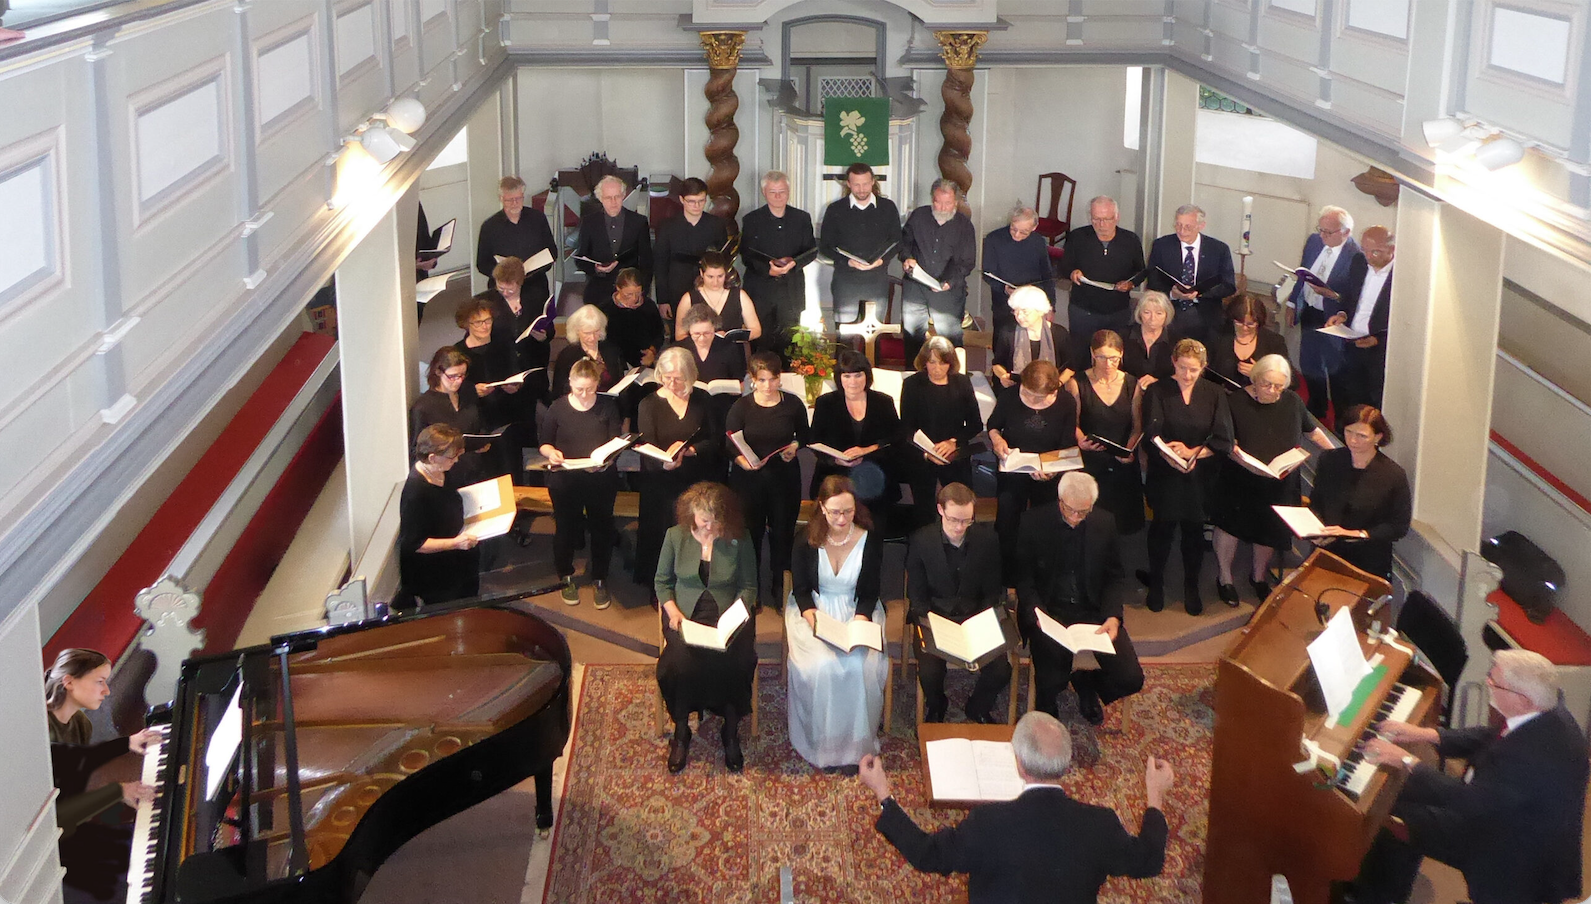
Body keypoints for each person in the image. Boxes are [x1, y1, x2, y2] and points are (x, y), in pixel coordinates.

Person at [1346, 650, 1588, 904]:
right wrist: (1428, 735)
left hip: (1509, 851)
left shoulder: (1531, 756)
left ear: (1522, 699)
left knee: (1391, 815)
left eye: (1494, 683)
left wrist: (1406, 760)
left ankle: (1373, 897)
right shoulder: (1546, 710)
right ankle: (1388, 888)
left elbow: (1469, 801)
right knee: (1400, 794)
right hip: (1506, 815)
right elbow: (1493, 735)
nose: (1488, 685)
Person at [859, 712, 1172, 904]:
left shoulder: (987, 823)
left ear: (1019, 764)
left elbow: (927, 854)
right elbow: (1149, 860)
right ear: (1066, 764)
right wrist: (1155, 794)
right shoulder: (1101, 824)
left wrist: (883, 792)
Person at [1017, 472, 1144, 725]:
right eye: (1070, 510)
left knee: (1130, 678)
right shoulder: (1033, 522)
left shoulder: (1104, 523)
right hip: (1050, 611)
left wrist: (1112, 616)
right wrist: (1038, 615)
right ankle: (1048, 702)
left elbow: (1113, 576)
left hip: (1093, 612)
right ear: (1060, 500)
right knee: (1053, 678)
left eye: (1083, 512)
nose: (1075, 518)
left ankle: (1088, 683)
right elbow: (1024, 578)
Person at [654, 481, 759, 774]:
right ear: (692, 515)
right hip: (685, 613)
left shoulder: (740, 537)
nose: (710, 527)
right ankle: (681, 730)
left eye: (716, 521)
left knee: (736, 662)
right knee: (679, 665)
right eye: (704, 520)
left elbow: (749, 586)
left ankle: (730, 728)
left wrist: (739, 613)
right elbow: (662, 583)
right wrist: (672, 610)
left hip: (727, 613)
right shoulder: (675, 537)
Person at [1211, 355, 1333, 605]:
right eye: (1267, 384)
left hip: (1281, 480)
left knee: (1270, 530)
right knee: (1231, 527)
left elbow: (1312, 430)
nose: (1273, 391)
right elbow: (1225, 442)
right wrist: (1243, 461)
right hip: (1241, 477)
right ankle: (1225, 577)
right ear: (1255, 379)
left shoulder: (1292, 401)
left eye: (1279, 386)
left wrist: (1336, 454)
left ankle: (1258, 577)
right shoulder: (1234, 401)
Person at [786, 476, 888, 771]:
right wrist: (816, 623)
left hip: (857, 610)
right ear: (821, 508)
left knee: (860, 666)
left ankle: (855, 747)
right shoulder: (805, 540)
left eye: (848, 511)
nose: (842, 519)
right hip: (815, 611)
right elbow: (802, 591)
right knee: (821, 665)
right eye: (835, 512)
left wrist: (858, 624)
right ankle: (824, 747)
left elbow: (870, 592)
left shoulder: (869, 538)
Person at [46, 648, 160, 900]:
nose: (106, 691)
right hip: (65, 866)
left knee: (152, 838)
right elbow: (57, 819)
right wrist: (118, 790)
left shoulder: (60, 729)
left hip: (81, 838)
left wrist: (127, 743)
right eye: (98, 683)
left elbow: (77, 759)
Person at [1140, 339, 1233, 615]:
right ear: (1173, 362)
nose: (1187, 375)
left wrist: (1193, 453)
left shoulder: (1215, 393)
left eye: (1194, 369)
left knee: (1194, 532)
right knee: (1162, 529)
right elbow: (1151, 433)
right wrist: (1172, 455)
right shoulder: (1158, 390)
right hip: (1165, 471)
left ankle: (1191, 585)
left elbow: (1223, 439)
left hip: (1200, 475)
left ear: (1203, 367)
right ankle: (1156, 582)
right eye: (1182, 368)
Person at [904, 482, 1008, 724]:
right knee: (930, 671)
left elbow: (993, 592)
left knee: (1001, 669)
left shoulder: (987, 540)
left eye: (966, 521)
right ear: (940, 510)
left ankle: (978, 707)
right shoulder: (921, 541)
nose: (960, 527)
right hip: (935, 618)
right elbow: (917, 597)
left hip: (975, 617)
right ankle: (937, 704)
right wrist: (935, 624)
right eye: (953, 520)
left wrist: (982, 623)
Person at [633, 347, 725, 591]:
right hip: (662, 481)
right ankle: (662, 585)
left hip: (697, 478)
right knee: (664, 532)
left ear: (690, 375)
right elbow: (646, 444)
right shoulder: (648, 404)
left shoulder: (703, 400)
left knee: (698, 528)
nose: (672, 383)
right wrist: (665, 460)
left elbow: (715, 440)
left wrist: (691, 450)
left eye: (678, 378)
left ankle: (695, 579)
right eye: (667, 377)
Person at [725, 352, 810, 608]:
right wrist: (742, 461)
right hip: (749, 481)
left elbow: (805, 434)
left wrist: (795, 446)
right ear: (752, 380)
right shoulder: (741, 407)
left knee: (782, 534)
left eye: (773, 380)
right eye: (762, 380)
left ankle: (779, 587)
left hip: (783, 479)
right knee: (751, 535)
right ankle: (752, 590)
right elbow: (728, 442)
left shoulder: (792, 404)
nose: (768, 386)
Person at [540, 359, 623, 608]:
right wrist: (551, 453)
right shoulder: (557, 408)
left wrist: (606, 460)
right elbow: (544, 443)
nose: (585, 395)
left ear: (598, 383)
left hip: (600, 478)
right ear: (570, 384)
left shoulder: (608, 406)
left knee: (602, 528)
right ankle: (565, 575)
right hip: (565, 479)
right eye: (579, 390)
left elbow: (615, 442)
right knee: (565, 528)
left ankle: (599, 577)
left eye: (590, 389)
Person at [987, 360, 1078, 579]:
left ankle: (1040, 574)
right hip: (1014, 467)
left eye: (1038, 397)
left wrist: (1052, 469)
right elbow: (993, 425)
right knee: (1007, 520)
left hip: (1049, 469)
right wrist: (997, 440)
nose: (1031, 400)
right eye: (1027, 393)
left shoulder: (1066, 402)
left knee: (1045, 522)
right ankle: (1008, 577)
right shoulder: (1009, 396)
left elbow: (1066, 444)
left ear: (1054, 390)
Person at [1306, 404, 1411, 580]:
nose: (1353, 440)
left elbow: (1398, 525)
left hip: (1366, 558)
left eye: (1362, 436)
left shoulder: (1392, 474)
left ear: (1378, 437)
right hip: (1326, 550)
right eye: (1349, 432)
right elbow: (1317, 502)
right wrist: (1315, 530)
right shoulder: (1329, 460)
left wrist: (1359, 534)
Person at [899, 336, 983, 529]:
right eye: (932, 362)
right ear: (924, 362)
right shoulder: (912, 384)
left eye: (943, 362)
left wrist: (953, 442)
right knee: (924, 512)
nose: (937, 368)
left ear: (950, 363)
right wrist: (927, 453)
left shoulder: (962, 383)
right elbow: (906, 427)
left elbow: (975, 424)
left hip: (953, 453)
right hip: (922, 455)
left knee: (961, 503)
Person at [1287, 206, 1362, 421]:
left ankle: (1339, 419)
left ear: (1346, 233)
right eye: (1320, 229)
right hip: (1310, 310)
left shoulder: (1355, 256)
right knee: (1309, 363)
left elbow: (1355, 297)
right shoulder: (1313, 241)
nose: (1322, 236)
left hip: (1333, 317)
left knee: (1334, 369)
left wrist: (1333, 294)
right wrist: (1293, 303)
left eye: (1328, 232)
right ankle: (1315, 407)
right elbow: (1302, 273)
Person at [395, 425, 481, 609]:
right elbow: (414, 544)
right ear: (432, 457)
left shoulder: (440, 471)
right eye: (452, 457)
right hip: (436, 574)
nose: (456, 460)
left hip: (457, 561)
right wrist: (456, 543)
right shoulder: (415, 493)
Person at [1059, 195, 1147, 367]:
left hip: (1118, 309)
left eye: (1107, 219)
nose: (1101, 225)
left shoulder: (1130, 240)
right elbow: (1063, 267)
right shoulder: (1078, 237)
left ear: (1117, 217)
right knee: (1081, 355)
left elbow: (1141, 271)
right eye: (1096, 219)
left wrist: (1130, 283)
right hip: (1083, 310)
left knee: (1113, 356)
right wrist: (1072, 273)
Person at [739, 171, 817, 356]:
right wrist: (768, 270)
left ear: (789, 190)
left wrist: (794, 264)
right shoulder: (751, 220)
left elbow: (811, 251)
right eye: (773, 192)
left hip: (791, 292)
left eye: (782, 191)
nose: (778, 196)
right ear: (764, 192)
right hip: (761, 291)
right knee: (761, 344)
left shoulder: (802, 218)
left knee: (790, 345)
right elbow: (746, 254)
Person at [807, 349, 900, 505]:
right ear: (839, 378)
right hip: (835, 478)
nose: (853, 382)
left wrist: (866, 451)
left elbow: (896, 439)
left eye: (858, 375)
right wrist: (836, 460)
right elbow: (815, 442)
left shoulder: (883, 402)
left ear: (867, 376)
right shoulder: (825, 403)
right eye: (847, 376)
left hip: (875, 477)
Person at [1074, 330, 1145, 535]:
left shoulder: (1132, 384)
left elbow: (1137, 425)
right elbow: (1073, 422)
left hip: (1121, 459)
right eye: (1101, 357)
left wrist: (1129, 450)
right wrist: (1080, 440)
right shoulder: (1078, 382)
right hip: (1091, 458)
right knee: (1090, 524)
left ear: (1121, 354)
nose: (1107, 364)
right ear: (1092, 354)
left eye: (1113, 358)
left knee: (1120, 527)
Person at [900, 179, 977, 363]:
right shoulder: (919, 216)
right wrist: (907, 257)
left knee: (949, 338)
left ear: (956, 202)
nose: (942, 208)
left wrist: (948, 282)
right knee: (912, 335)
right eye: (937, 201)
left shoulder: (964, 226)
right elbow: (904, 242)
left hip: (947, 290)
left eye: (948, 203)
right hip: (915, 287)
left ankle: (952, 380)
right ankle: (914, 376)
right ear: (932, 199)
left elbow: (966, 262)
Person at [480, 256, 551, 453]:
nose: (504, 292)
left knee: (528, 423)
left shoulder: (535, 297)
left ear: (520, 282)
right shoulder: (486, 301)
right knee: (503, 430)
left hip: (530, 368)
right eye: (500, 288)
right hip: (501, 369)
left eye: (509, 288)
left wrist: (543, 335)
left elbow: (549, 328)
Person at [819, 163, 901, 326]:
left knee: (875, 332)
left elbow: (897, 241)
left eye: (865, 184)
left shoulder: (887, 207)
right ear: (848, 184)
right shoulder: (835, 209)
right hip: (846, 280)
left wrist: (882, 260)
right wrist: (847, 261)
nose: (861, 189)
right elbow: (825, 246)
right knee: (845, 334)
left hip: (877, 279)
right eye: (856, 184)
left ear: (872, 182)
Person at [1327, 225, 1395, 412]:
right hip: (1351, 341)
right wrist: (1342, 314)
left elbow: (1405, 321)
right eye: (1365, 250)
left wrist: (1378, 339)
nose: (1369, 256)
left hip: (1378, 351)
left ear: (1392, 249)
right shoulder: (1358, 261)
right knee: (1346, 396)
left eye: (1376, 252)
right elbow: (1349, 295)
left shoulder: (1402, 276)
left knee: (1371, 402)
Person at [1146, 205, 1236, 346]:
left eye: (1188, 227)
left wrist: (1200, 293)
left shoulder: (1219, 249)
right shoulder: (1161, 245)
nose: (1181, 231)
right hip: (1171, 312)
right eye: (1178, 225)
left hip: (1206, 314)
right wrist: (1172, 293)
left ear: (1201, 226)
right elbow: (1152, 281)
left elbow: (1229, 285)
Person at [452, 298, 517, 476]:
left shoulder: (503, 344)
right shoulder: (458, 352)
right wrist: (473, 390)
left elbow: (515, 371)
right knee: (483, 469)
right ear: (467, 324)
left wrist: (514, 385)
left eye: (488, 320)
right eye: (478, 322)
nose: (485, 326)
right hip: (478, 417)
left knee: (509, 467)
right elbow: (454, 387)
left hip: (506, 414)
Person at [410, 346, 487, 487]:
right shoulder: (423, 407)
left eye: (462, 375)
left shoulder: (467, 394)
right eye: (452, 376)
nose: (458, 381)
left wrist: (482, 441)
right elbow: (418, 453)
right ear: (438, 372)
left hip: (475, 471)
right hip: (446, 478)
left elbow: (476, 426)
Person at [653, 177, 728, 320]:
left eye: (701, 201)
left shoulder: (716, 225)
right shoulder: (667, 226)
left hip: (709, 287)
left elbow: (722, 261)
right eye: (691, 201)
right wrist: (662, 300)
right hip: (676, 286)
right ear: (681, 200)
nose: (697, 206)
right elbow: (660, 264)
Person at [575, 174, 651, 306]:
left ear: (623, 196)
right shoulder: (589, 222)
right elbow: (580, 258)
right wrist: (597, 269)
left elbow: (647, 261)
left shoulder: (639, 222)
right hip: (599, 291)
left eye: (617, 196)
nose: (613, 202)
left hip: (630, 293)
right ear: (600, 199)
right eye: (608, 198)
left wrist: (642, 293)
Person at [476, 176, 556, 299]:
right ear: (501, 199)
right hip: (504, 289)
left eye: (518, 199)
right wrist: (505, 275)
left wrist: (535, 269)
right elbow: (482, 264)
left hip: (535, 285)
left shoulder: (538, 218)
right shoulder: (489, 227)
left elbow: (552, 251)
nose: (515, 203)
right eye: (510, 200)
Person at [980, 206, 1055, 335]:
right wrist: (1004, 288)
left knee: (1030, 342)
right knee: (1003, 342)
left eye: (1024, 232)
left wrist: (1050, 306)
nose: (1017, 235)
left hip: (1032, 304)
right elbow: (987, 273)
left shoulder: (1038, 242)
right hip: (1004, 303)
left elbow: (1047, 275)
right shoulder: (994, 239)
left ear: (1034, 228)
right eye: (1013, 229)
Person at [990, 284, 1072, 390]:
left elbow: (1070, 367)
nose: (1019, 316)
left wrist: (1058, 384)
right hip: (1016, 389)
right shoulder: (1008, 332)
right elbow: (997, 364)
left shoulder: (1059, 333)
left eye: (1025, 312)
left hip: (1050, 390)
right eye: (1016, 311)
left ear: (1040, 311)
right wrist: (1003, 376)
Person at [673, 250, 761, 342]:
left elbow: (756, 330)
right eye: (710, 277)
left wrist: (734, 337)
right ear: (701, 273)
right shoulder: (688, 299)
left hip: (732, 350)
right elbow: (680, 335)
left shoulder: (740, 295)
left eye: (720, 276)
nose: (715, 282)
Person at [1207, 294, 1291, 390]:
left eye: (1250, 324)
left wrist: (1260, 374)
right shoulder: (1217, 335)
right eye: (1239, 322)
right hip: (1221, 396)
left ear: (1259, 321)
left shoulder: (1274, 341)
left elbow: (1291, 382)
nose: (1244, 328)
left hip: (1257, 400)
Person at [550, 303, 625, 398]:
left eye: (596, 331)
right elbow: (559, 391)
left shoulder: (610, 350)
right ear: (577, 331)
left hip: (610, 403)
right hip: (579, 405)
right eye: (587, 333)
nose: (592, 337)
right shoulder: (568, 355)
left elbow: (619, 381)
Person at [1121, 291, 1175, 389]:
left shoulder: (1176, 340)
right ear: (1139, 313)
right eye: (1147, 312)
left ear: (1167, 315)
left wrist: (1157, 382)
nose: (1152, 318)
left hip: (1164, 392)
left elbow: (1179, 375)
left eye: (1159, 313)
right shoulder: (1123, 336)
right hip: (1128, 390)